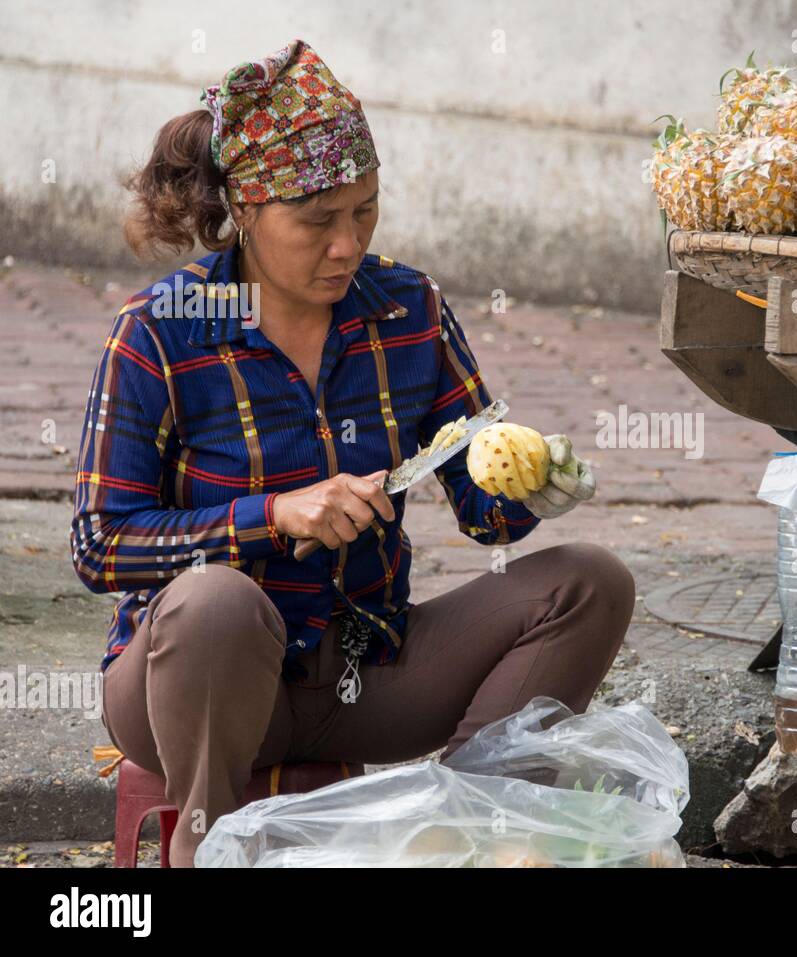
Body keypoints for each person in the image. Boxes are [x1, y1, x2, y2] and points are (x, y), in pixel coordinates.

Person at [69, 39, 635, 867]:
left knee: (590, 582)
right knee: (215, 603)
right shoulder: (159, 330)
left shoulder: (407, 308)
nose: (348, 244)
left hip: (363, 675)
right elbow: (99, 544)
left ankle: (470, 830)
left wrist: (533, 481)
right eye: (318, 220)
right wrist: (272, 516)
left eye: (365, 210)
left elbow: (483, 509)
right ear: (249, 211)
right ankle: (207, 848)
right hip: (195, 690)